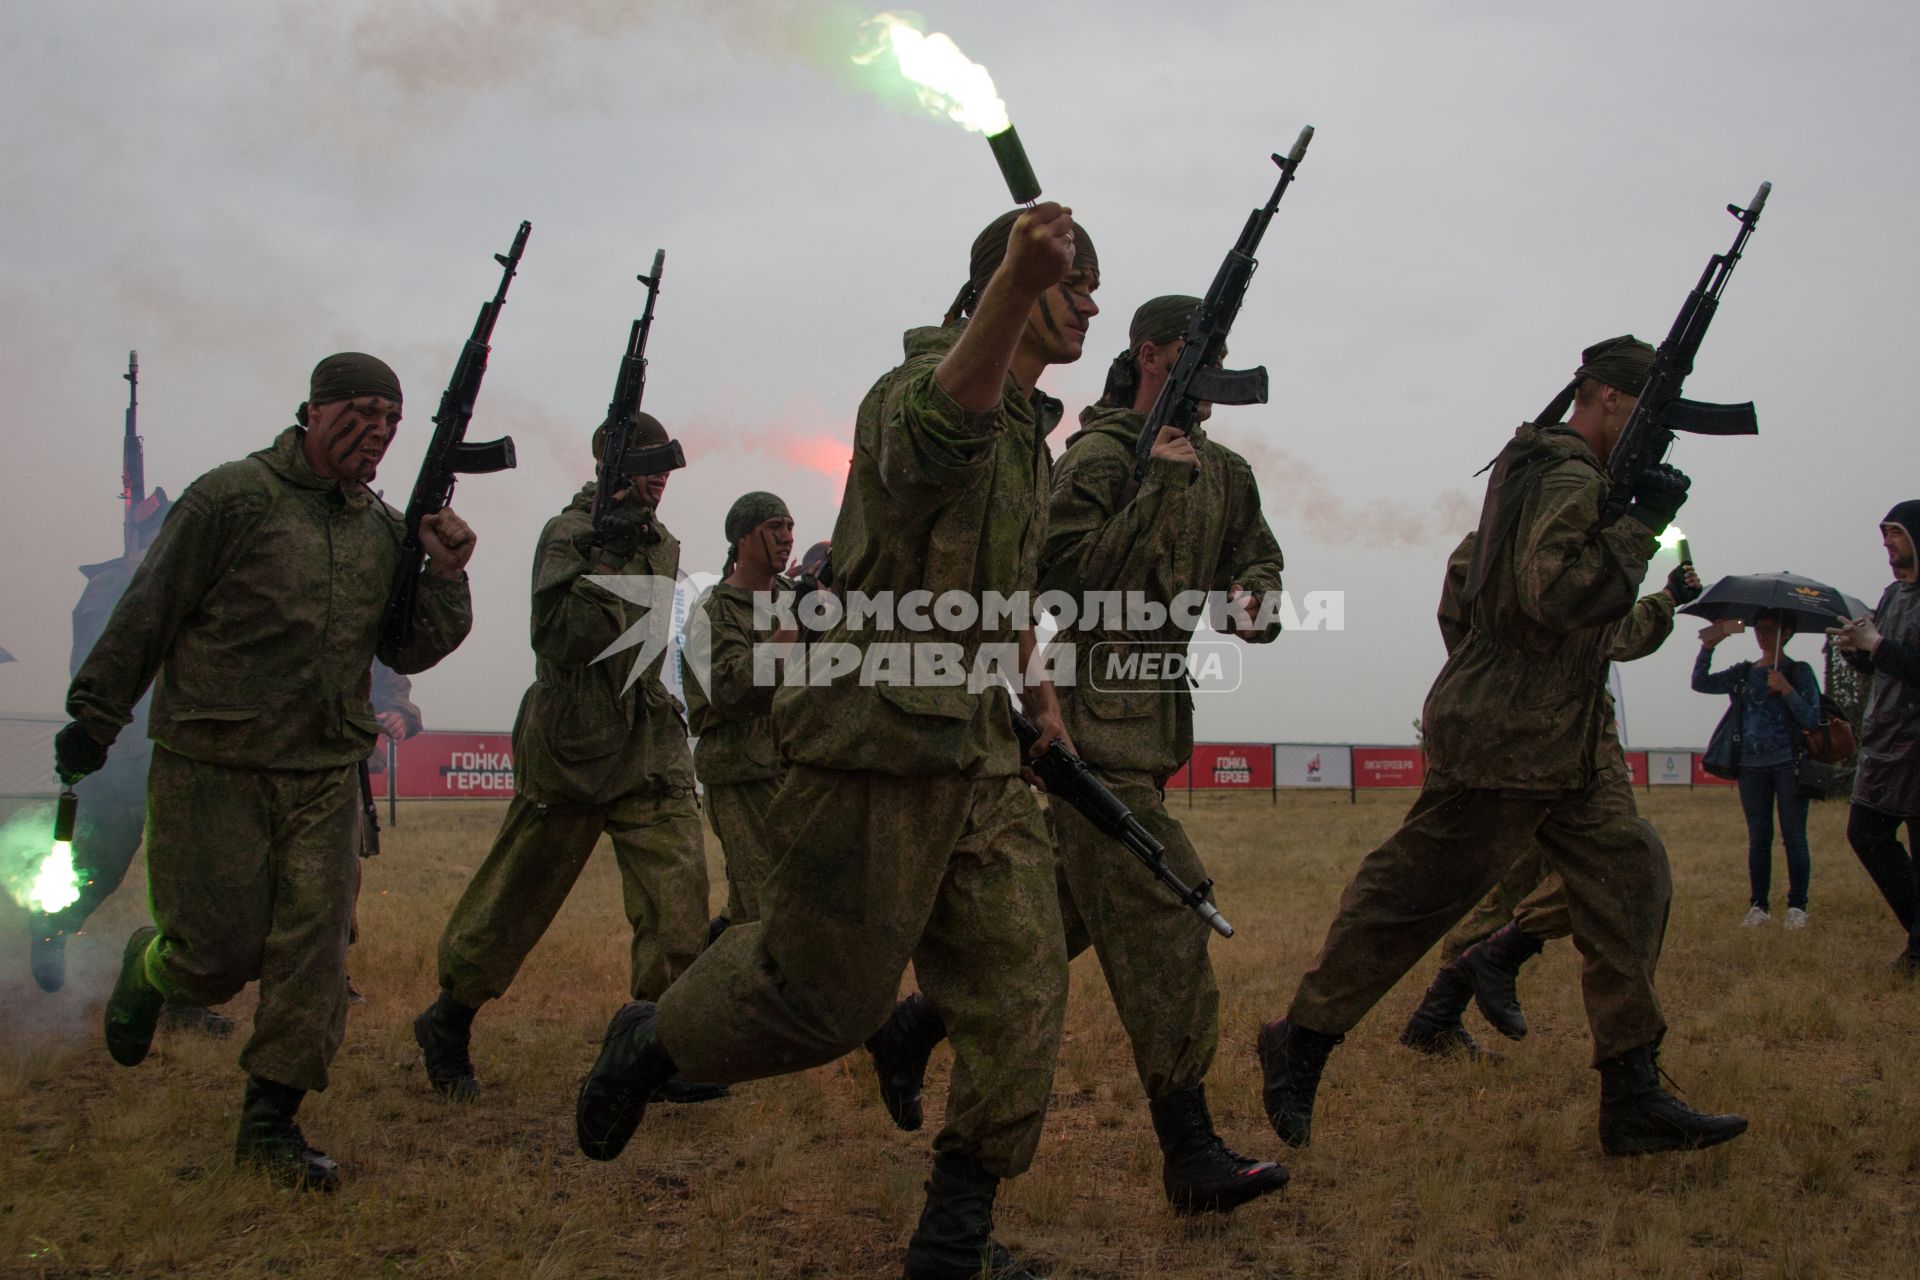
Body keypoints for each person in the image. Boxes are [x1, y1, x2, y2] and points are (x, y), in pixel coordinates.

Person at [575, 203, 1092, 1280]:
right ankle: (653, 1040)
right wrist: (1011, 281)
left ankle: (954, 1237)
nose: (1089, 298)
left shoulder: (1034, 449)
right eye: (1073, 278)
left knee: (1023, 976)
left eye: (1092, 284)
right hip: (874, 744)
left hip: (976, 754)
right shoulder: (913, 392)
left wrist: (1038, 694)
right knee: (824, 999)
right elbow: (935, 440)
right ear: (1006, 282)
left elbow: (999, 601)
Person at [1257, 336, 1748, 1158]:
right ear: (1609, 400)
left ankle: (1631, 1091)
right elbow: (1552, 596)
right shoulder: (1562, 476)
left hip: (1566, 739)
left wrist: (1524, 654)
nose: (1656, 439)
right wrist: (1637, 533)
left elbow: (1477, 590)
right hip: (1511, 739)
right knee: (1414, 895)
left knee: (1631, 877)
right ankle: (1302, 1038)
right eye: (1650, 416)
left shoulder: (1552, 482)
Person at [864, 295, 1290, 1215]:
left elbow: (1257, 559)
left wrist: (1253, 600)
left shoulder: (1225, 472)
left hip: (1155, 723)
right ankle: (1191, 1149)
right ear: (1150, 357)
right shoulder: (1100, 459)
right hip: (1092, 727)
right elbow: (1056, 580)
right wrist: (1158, 488)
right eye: (1195, 352)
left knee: (1059, 924)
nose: (1211, 372)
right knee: (1169, 913)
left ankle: (914, 1026)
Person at [57, 353, 476, 1190]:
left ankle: (271, 1123)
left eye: (392, 420)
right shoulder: (231, 499)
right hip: (215, 760)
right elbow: (151, 610)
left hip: (323, 766)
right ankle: (153, 967)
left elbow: (407, 648)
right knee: (212, 958)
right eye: (360, 413)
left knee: (313, 952)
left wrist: (445, 572)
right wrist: (96, 713)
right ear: (312, 412)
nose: (379, 434)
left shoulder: (382, 527)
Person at [414, 414, 717, 1106]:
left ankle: (654, 1048)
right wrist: (603, 558)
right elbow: (556, 635)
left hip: (648, 739)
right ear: (613, 468)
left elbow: (650, 641)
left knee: (678, 901)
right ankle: (447, 1020)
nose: (661, 477)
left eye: (666, 466)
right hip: (572, 741)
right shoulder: (568, 536)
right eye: (647, 464)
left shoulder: (662, 544)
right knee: (519, 894)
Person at [1398, 534, 1701, 1055]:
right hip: (1569, 736)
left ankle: (1438, 1011)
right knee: (1619, 866)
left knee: (1516, 878)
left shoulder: (1480, 547)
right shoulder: (1568, 551)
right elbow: (1612, 636)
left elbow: (1458, 631)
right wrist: (1669, 598)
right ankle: (1511, 955)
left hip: (1505, 734)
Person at [27, 491, 230, 1036]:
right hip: (119, 754)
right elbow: (98, 657)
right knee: (98, 863)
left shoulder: (191, 581)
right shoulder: (112, 584)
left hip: (179, 749)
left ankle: (180, 994)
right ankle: (50, 928)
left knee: (192, 875)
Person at [683, 492, 796, 933]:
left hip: (793, 769)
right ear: (742, 538)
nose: (786, 537)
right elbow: (732, 691)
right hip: (742, 775)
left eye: (789, 526)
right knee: (760, 907)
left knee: (799, 898)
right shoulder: (714, 612)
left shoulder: (792, 598)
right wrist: (788, 634)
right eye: (774, 527)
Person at [1830, 500, 1920, 969]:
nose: (1887, 542)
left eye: (1896, 532)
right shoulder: (1892, 596)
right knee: (1866, 833)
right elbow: (1883, 664)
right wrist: (1855, 650)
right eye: (1884, 534)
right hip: (1886, 741)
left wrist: (1879, 645)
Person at [1693, 610, 1823, 927]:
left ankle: (1797, 907)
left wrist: (1787, 690)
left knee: (1794, 837)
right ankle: (1758, 906)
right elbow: (1701, 683)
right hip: (1751, 765)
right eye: (1758, 628)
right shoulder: (1744, 673)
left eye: (1769, 629)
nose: (1761, 634)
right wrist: (1708, 647)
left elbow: (1811, 718)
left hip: (1788, 763)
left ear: (1787, 632)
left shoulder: (1798, 671)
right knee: (1759, 838)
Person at [344, 658, 425, 1004]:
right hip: (261, 755)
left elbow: (392, 682)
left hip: (339, 760)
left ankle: (329, 973)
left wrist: (399, 713)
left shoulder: (360, 611)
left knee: (338, 873)